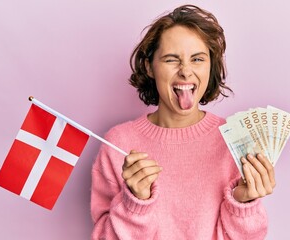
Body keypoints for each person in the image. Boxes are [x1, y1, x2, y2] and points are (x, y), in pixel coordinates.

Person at [91, 4, 275, 240]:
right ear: (149, 67)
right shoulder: (119, 142)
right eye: (171, 60)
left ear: (211, 66)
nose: (186, 71)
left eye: (197, 59)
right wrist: (135, 203)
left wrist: (243, 204)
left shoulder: (234, 140)